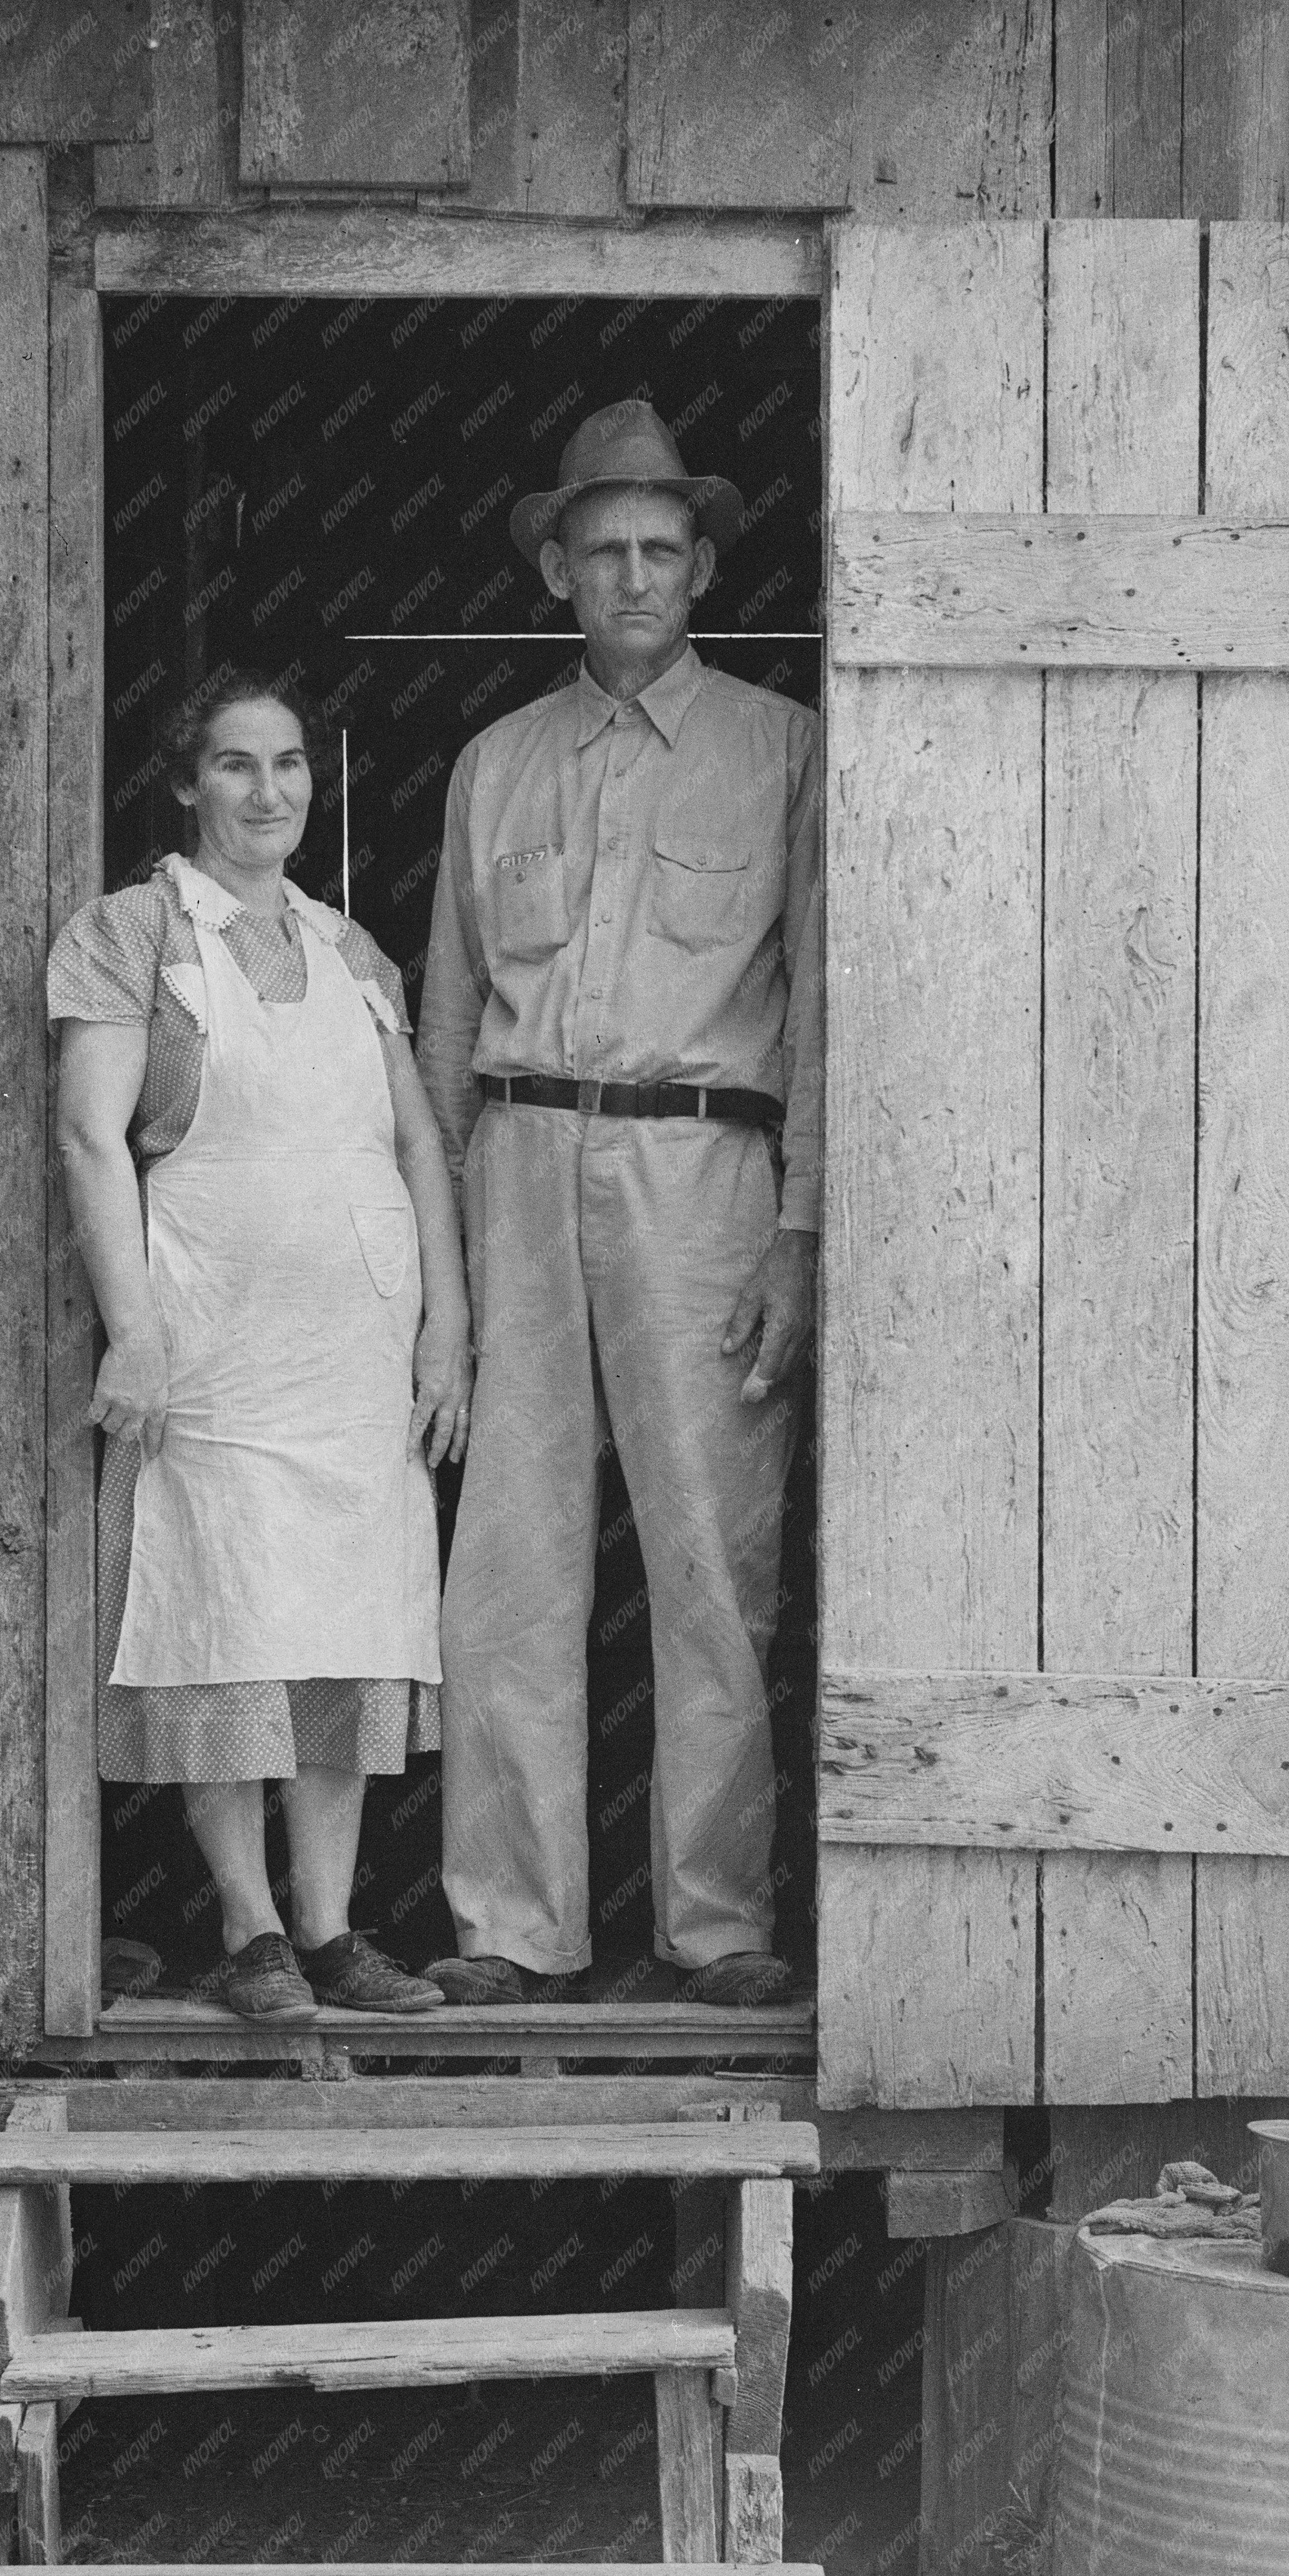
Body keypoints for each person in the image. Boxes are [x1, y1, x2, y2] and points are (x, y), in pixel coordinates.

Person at [416, 400, 820, 2009]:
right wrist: (436, 1262)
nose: (635, 576)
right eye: (604, 552)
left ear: (703, 565)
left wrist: (802, 1232)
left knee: (712, 1559)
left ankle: (714, 1923)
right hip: (517, 1167)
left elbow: (823, 1006)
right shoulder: (494, 763)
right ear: (557, 572)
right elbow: (446, 1028)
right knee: (510, 1562)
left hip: (705, 1175)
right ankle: (510, 1925)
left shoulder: (785, 747)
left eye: (661, 549)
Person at [50, 669, 471, 2018]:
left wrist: (447, 1330)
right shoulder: (128, 934)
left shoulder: (354, 953)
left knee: (345, 1622)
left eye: (287, 764)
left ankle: (333, 1929)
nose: (267, 789)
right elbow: (89, 1137)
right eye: (235, 764)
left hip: (355, 1352)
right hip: (214, 1344)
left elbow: (416, 1144)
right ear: (187, 782)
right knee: (223, 1617)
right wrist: (134, 1334)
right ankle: (251, 1931)